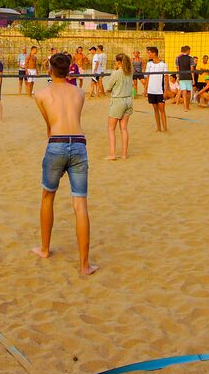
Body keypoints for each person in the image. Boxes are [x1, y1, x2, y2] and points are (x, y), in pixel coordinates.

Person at [31, 51, 97, 276]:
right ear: (70, 70)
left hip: (57, 143)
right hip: (79, 144)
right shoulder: (80, 92)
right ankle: (84, 265)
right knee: (80, 205)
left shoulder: (40, 95)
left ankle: (44, 249)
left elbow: (49, 126)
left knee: (48, 196)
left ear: (50, 69)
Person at [105, 52, 133, 160]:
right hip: (128, 100)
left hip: (118, 101)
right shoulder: (130, 72)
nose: (114, 63)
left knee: (111, 129)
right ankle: (124, 154)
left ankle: (112, 154)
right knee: (124, 129)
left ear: (119, 62)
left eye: (116, 61)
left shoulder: (116, 73)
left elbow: (108, 88)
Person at [145, 46, 169, 132]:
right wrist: (145, 89)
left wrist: (165, 91)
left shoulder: (163, 64)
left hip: (160, 90)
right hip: (151, 90)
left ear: (154, 53)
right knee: (155, 110)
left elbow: (166, 78)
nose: (148, 54)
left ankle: (165, 128)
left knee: (162, 109)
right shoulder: (149, 64)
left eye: (149, 53)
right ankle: (159, 128)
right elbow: (147, 77)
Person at [175, 45, 195, 110]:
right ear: (188, 50)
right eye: (190, 51)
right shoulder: (191, 58)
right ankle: (187, 106)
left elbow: (177, 69)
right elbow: (192, 69)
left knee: (183, 92)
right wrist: (193, 79)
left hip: (181, 76)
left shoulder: (178, 58)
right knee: (188, 92)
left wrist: (177, 77)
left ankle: (185, 107)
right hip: (188, 76)